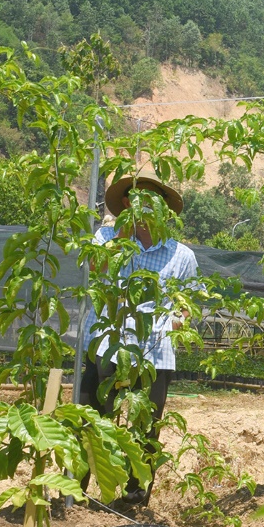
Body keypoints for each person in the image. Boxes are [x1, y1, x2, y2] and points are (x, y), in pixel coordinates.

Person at [80, 175, 200, 506]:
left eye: (150, 200)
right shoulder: (105, 236)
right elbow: (94, 267)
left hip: (154, 353)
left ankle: (133, 500)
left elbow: (186, 304)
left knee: (146, 428)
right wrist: (122, 234)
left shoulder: (181, 256)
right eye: (134, 200)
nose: (142, 206)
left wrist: (168, 326)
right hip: (104, 343)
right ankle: (75, 496)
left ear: (164, 210)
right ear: (124, 205)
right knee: (91, 422)